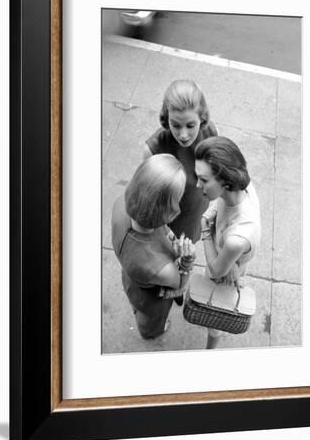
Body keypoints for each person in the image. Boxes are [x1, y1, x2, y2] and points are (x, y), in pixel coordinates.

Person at [112, 154, 196, 340]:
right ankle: (152, 331)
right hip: (150, 298)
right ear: (167, 212)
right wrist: (188, 259)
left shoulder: (121, 204)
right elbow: (179, 283)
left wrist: (168, 234)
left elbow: (158, 224)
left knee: (137, 304)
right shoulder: (160, 268)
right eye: (179, 197)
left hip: (131, 277)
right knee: (150, 319)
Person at [195, 136, 261, 349]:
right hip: (231, 260)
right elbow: (221, 203)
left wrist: (205, 229)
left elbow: (215, 270)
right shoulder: (244, 185)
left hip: (225, 272)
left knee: (215, 316)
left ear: (226, 181)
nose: (197, 185)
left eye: (204, 180)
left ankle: (209, 352)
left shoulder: (236, 238)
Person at [143, 80, 218, 243]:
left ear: (202, 119)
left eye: (190, 125)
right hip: (168, 227)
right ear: (166, 118)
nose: (183, 135)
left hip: (197, 215)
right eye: (175, 125)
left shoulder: (211, 132)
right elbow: (149, 203)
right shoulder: (154, 150)